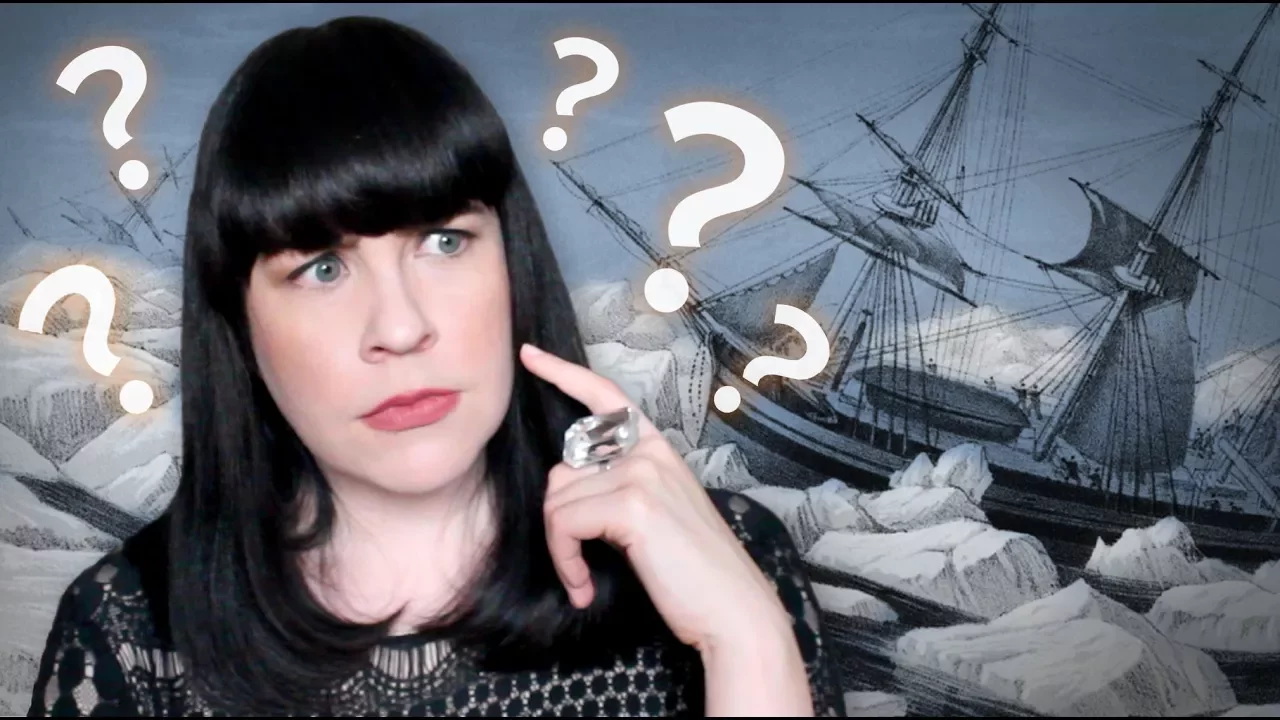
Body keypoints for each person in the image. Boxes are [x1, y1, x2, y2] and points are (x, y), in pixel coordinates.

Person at [27, 15, 846, 717]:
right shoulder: (128, 632)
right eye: (322, 267)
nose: (400, 326)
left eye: (444, 242)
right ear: (239, 323)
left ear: (513, 265)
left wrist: (746, 642)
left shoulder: (734, 561)